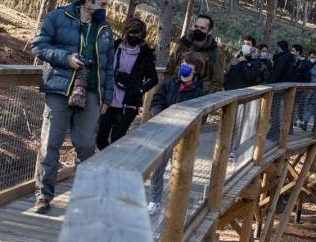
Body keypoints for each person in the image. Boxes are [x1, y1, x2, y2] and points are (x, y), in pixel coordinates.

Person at [30, 0, 115, 214]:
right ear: (88, 1)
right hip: (59, 88)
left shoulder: (105, 29)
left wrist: (106, 96)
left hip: (91, 93)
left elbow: (109, 66)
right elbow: (38, 45)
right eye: (102, 4)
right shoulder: (58, 17)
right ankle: (43, 196)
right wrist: (66, 58)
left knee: (87, 145)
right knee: (50, 144)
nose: (106, 9)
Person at [147, 52, 205, 214]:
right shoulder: (168, 84)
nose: (184, 66)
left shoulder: (199, 93)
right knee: (158, 168)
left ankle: (175, 202)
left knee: (180, 171)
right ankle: (155, 201)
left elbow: (203, 116)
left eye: (189, 64)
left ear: (196, 70)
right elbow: (157, 101)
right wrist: (161, 116)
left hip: (185, 137)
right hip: (164, 133)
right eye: (183, 63)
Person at [96, 18, 158, 150]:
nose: (136, 37)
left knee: (117, 139)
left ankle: (113, 166)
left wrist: (139, 90)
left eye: (139, 35)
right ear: (127, 31)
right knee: (100, 138)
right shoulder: (114, 47)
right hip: (109, 100)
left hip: (129, 102)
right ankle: (107, 160)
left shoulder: (145, 55)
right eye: (133, 33)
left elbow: (153, 78)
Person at [168, 14, 225, 94]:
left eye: (202, 28)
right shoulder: (183, 44)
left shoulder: (216, 53)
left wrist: (202, 97)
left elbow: (217, 83)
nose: (198, 30)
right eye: (196, 27)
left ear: (210, 31)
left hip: (198, 97)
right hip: (176, 91)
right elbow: (170, 68)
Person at [267, 40, 295, 140]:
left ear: (280, 47)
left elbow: (277, 72)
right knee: (283, 109)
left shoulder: (283, 58)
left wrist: (270, 84)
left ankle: (275, 132)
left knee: (275, 110)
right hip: (285, 87)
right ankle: (287, 129)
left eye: (277, 47)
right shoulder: (289, 57)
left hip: (278, 87)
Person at [289, 44, 312, 126]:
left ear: (298, 52)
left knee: (300, 105)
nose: (291, 52)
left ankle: (300, 120)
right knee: (291, 105)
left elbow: (307, 77)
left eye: (293, 50)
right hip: (291, 88)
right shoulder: (292, 61)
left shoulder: (306, 63)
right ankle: (291, 123)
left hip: (301, 88)